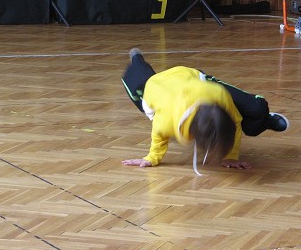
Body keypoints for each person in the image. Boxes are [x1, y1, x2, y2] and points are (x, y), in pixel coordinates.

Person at [121, 49, 289, 173]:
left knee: (257, 110)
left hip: (191, 78)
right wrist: (151, 158)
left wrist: (231, 155)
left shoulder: (217, 94)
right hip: (156, 86)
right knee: (135, 78)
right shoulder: (166, 120)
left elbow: (236, 122)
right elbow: (159, 138)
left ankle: (267, 120)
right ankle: (137, 57)